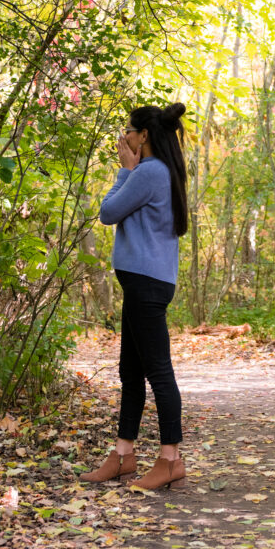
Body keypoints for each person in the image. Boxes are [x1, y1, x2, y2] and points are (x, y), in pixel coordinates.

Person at [81, 102, 189, 490]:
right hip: (144, 281)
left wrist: (124, 171)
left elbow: (108, 212)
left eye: (128, 130)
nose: (123, 136)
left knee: (159, 372)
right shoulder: (165, 171)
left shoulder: (148, 172)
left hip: (146, 282)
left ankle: (170, 459)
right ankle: (123, 454)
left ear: (143, 136)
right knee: (131, 372)